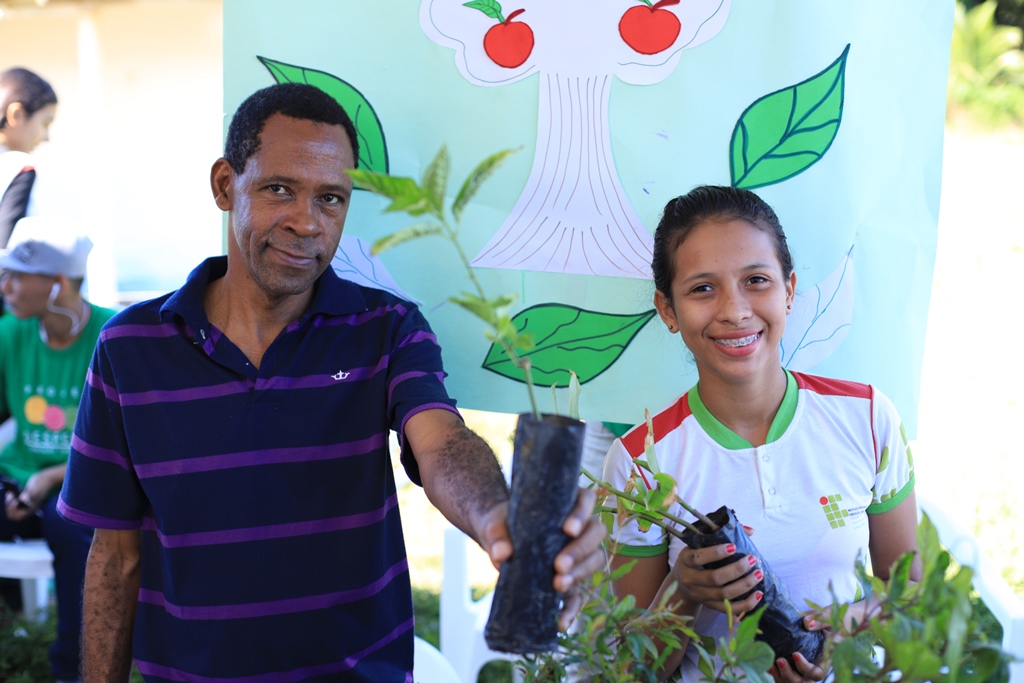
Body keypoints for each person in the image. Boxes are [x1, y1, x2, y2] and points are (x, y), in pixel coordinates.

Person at [58, 82, 606, 683]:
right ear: (224, 185)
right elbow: (114, 556)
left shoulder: (386, 328)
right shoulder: (131, 347)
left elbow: (441, 441)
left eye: (331, 199)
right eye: (279, 190)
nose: (307, 223)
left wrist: (495, 517)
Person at [603, 185, 920, 682]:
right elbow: (626, 670)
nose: (734, 310)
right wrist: (682, 591)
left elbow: (911, 594)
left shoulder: (868, 417)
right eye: (702, 288)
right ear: (668, 310)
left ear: (789, 290)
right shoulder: (642, 461)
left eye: (756, 280)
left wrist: (854, 624)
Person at [0, 216, 114, 683]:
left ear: (58, 284)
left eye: (16, 276)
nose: (4, 286)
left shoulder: (112, 334)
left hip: (83, 483)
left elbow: (120, 446)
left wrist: (51, 478)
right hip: (18, 478)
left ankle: (74, 669)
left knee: (74, 532)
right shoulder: (11, 333)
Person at [0, 67, 58, 247]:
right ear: (16, 114)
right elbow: (5, 255)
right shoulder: (17, 167)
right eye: (45, 123)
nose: (46, 137)